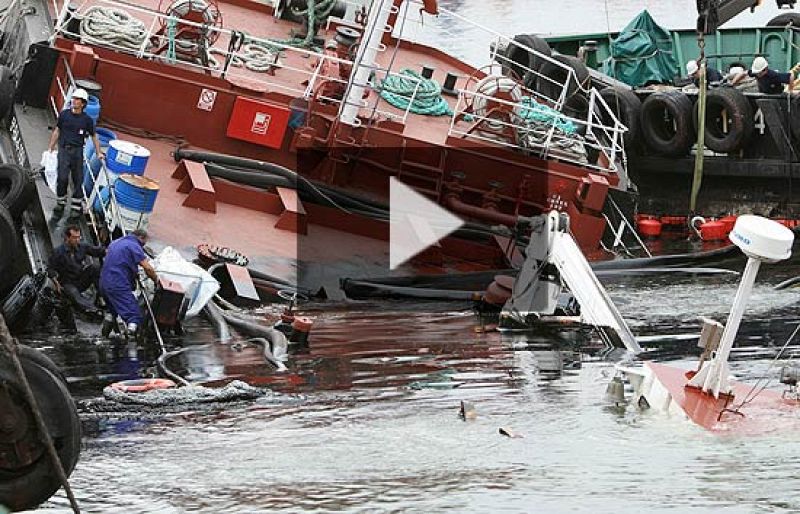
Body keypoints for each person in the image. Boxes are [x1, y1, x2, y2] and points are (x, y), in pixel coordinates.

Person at [47, 88, 104, 218]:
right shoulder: (64, 115)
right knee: (62, 177)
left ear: (83, 104)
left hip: (77, 151)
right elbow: (57, 131)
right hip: (64, 150)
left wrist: (99, 152)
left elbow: (94, 136)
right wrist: (51, 147)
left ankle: (75, 206)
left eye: (77, 99)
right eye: (73, 98)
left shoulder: (87, 120)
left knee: (78, 179)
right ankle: (61, 201)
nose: (74, 101)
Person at [99, 229, 159, 336]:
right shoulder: (134, 246)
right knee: (133, 314)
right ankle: (130, 336)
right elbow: (147, 268)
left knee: (112, 310)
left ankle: (104, 336)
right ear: (141, 238)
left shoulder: (115, 243)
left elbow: (119, 261)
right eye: (144, 242)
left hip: (103, 282)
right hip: (117, 283)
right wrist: (156, 280)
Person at [47, 224, 105, 317]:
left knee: (95, 268)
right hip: (68, 283)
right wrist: (56, 284)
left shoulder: (82, 246)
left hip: (81, 278)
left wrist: (109, 250)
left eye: (79, 237)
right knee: (74, 294)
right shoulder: (58, 252)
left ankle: (102, 297)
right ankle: (92, 309)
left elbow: (97, 251)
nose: (77, 240)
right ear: (67, 238)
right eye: (74, 238)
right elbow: (50, 268)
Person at [731, 56, 799, 94]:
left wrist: (790, 91)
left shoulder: (773, 75)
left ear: (765, 69)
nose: (758, 75)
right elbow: (743, 73)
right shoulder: (755, 73)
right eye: (756, 73)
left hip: (776, 96)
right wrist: (732, 83)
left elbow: (791, 76)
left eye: (759, 73)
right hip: (763, 94)